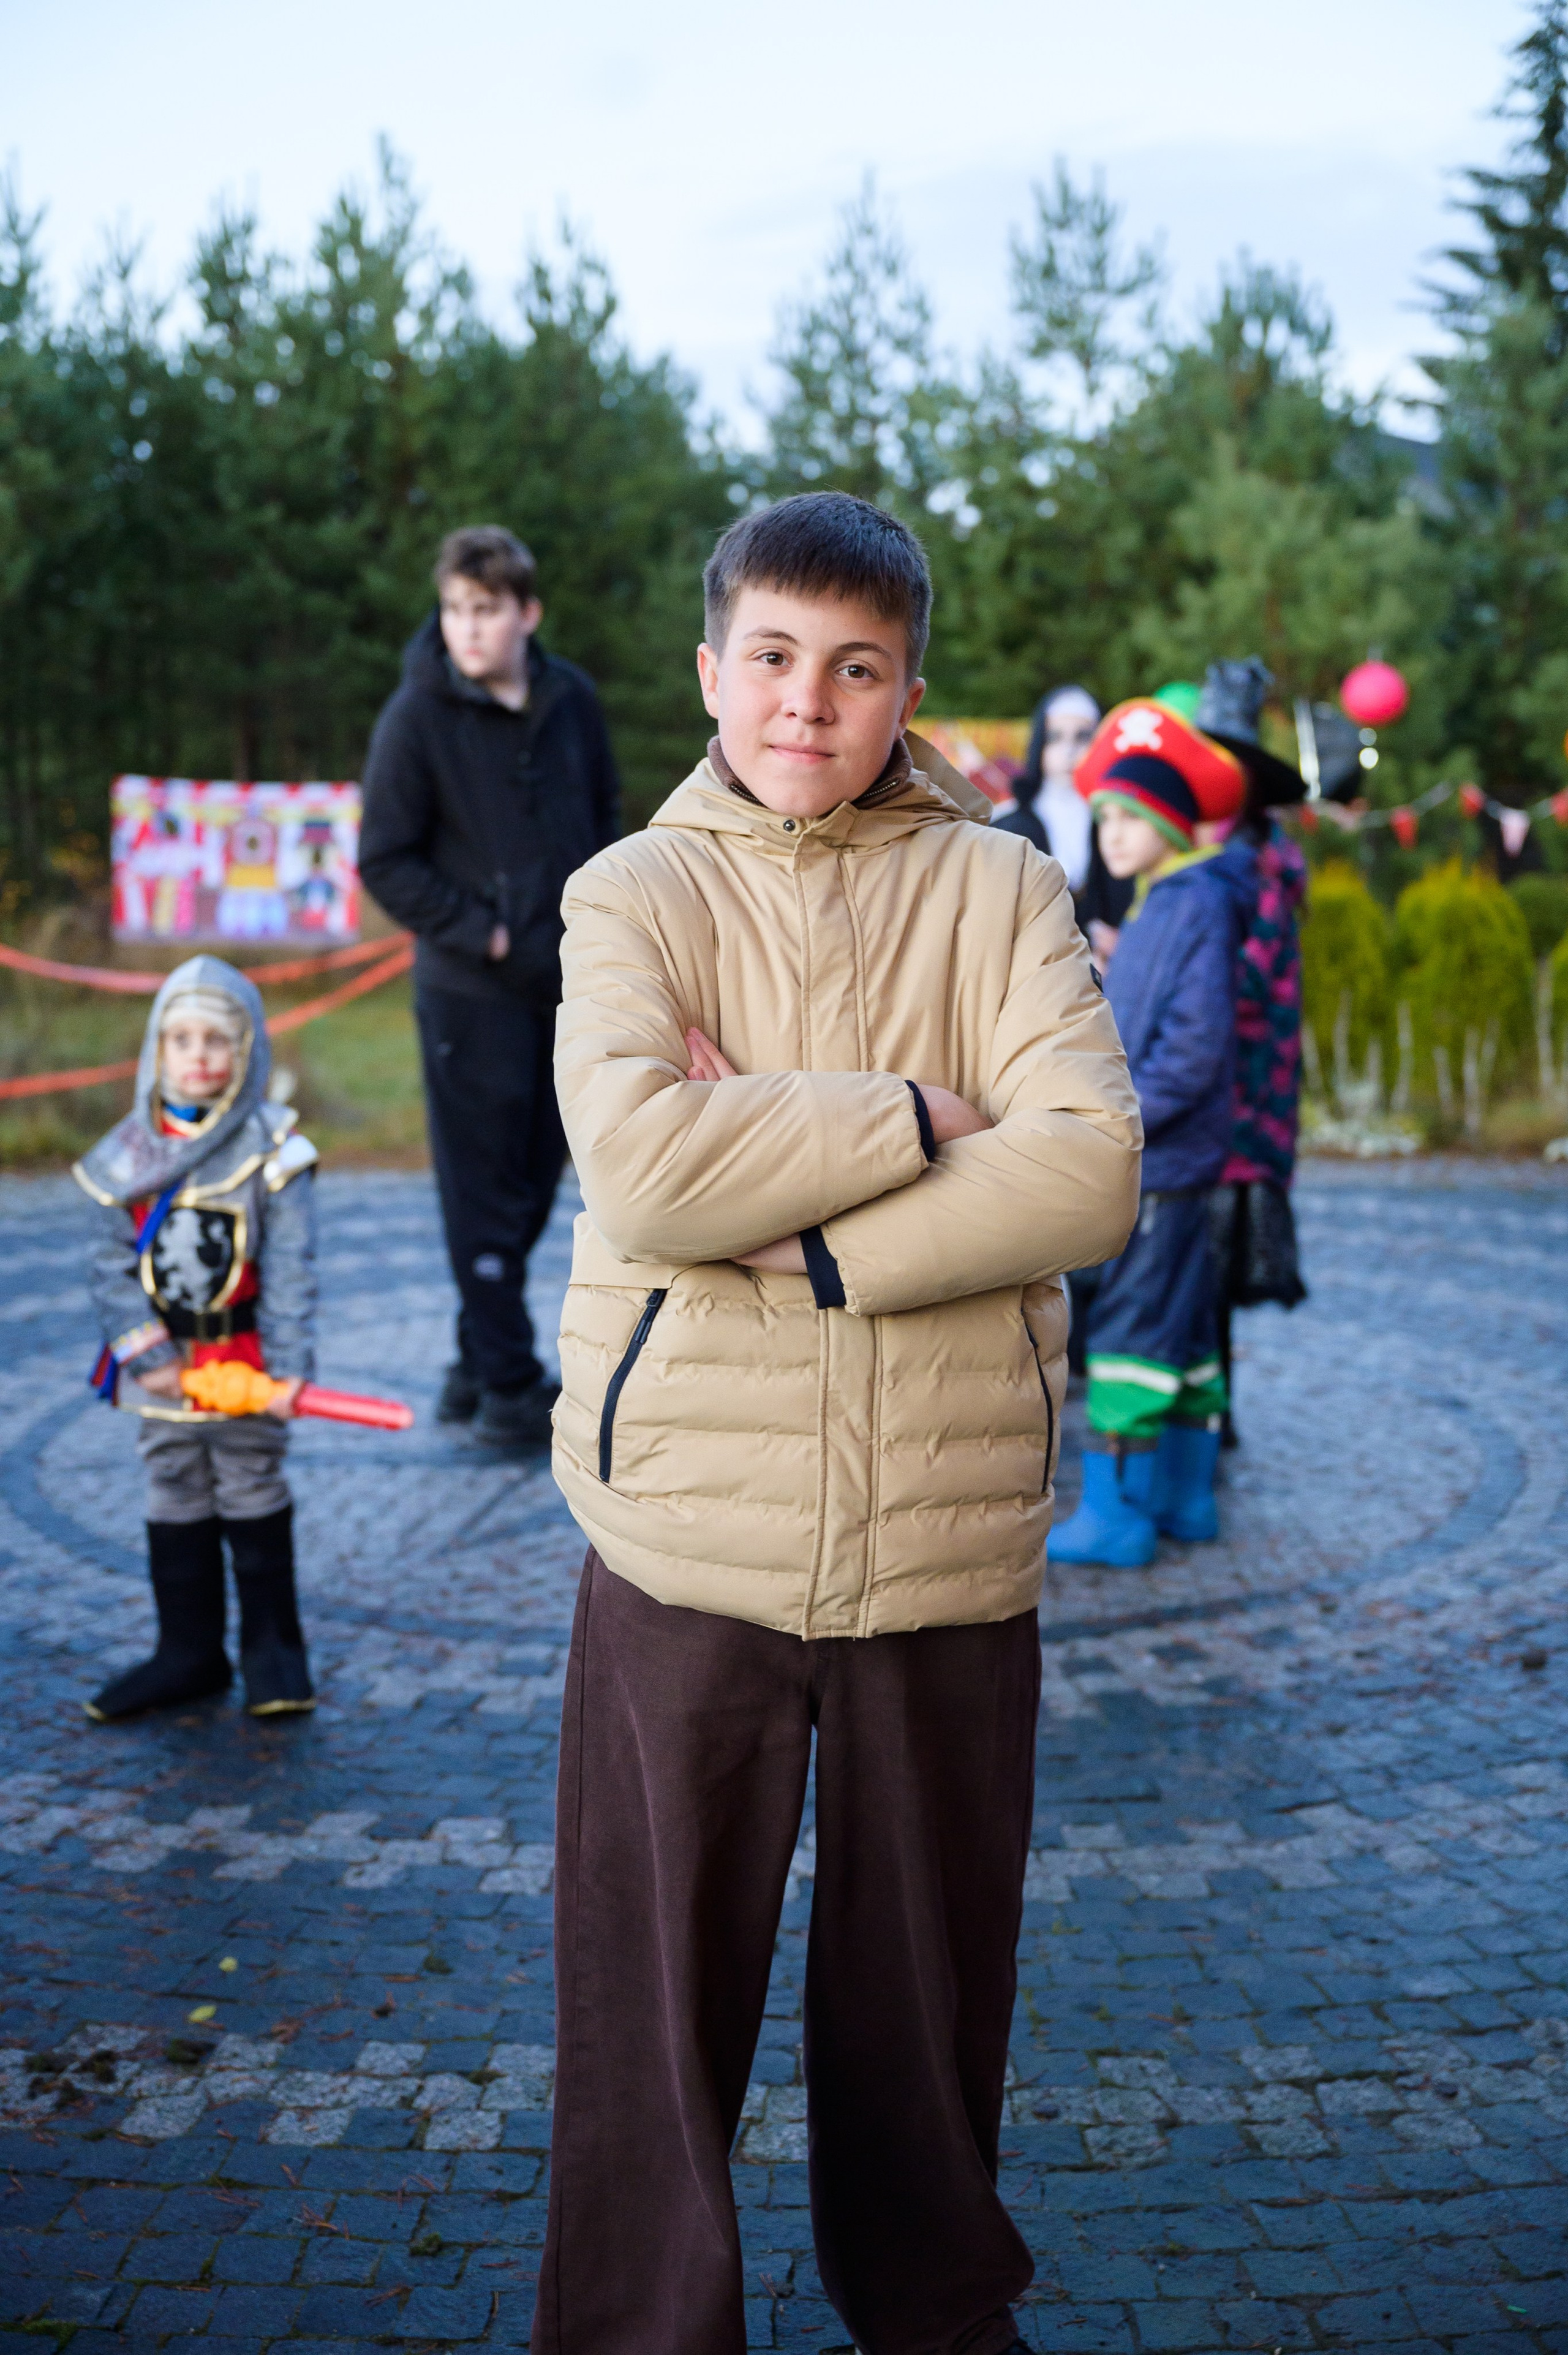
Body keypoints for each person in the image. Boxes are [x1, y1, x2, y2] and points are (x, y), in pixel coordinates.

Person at [536, 491, 1141, 2355]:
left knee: (927, 2000)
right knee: (651, 2007)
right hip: (685, 1538)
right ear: (710, 671)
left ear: (908, 696)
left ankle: (938, 2311)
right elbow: (643, 1168)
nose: (809, 700)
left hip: (942, 1543)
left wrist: (799, 1238)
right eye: (776, 657)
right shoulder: (631, 893)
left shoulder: (1002, 889)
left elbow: (1089, 1173)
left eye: (857, 668)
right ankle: (639, 2327)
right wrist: (913, 1115)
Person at [358, 526, 621, 1451]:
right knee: (480, 1189)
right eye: (455, 609)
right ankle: (507, 1382)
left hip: (565, 985)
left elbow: (604, 819)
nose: (468, 627)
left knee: (536, 1176)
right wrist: (485, 931)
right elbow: (384, 859)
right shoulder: (415, 717)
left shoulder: (571, 700)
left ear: (527, 613)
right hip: (468, 994)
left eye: (486, 609)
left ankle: (473, 1362)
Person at [74, 957, 318, 1720]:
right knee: (173, 1481)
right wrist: (147, 1354)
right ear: (158, 1047)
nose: (199, 1055)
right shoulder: (127, 1153)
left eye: (218, 1039)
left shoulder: (274, 1150)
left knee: (251, 1481)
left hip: (245, 1359)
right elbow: (109, 1264)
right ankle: (187, 1654)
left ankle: (275, 1657)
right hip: (164, 1364)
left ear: (248, 1049)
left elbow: (290, 1271)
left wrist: (287, 1370)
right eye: (181, 1039)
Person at [1049, 697, 1247, 1569]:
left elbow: (1194, 1050)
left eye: (1130, 818)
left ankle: (1116, 1513)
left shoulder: (1189, 904)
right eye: (1103, 820)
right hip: (1177, 1158)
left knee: (1131, 1325)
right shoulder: (1168, 901)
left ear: (1168, 823)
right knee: (1187, 1327)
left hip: (1162, 1163)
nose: (1113, 834)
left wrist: (1115, 1117)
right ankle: (1185, 1496)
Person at [1194, 659, 1310, 1446]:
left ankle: (1210, 1411)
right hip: (1217, 1089)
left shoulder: (1258, 866)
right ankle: (1203, 1409)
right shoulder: (1219, 853)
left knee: (1211, 1263)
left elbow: (1245, 985)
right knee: (1195, 1263)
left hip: (1238, 1096)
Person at [993, 684, 1134, 954]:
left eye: (1082, 738)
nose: (1069, 751)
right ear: (1039, 744)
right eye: (1055, 738)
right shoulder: (1008, 825)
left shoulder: (1119, 824)